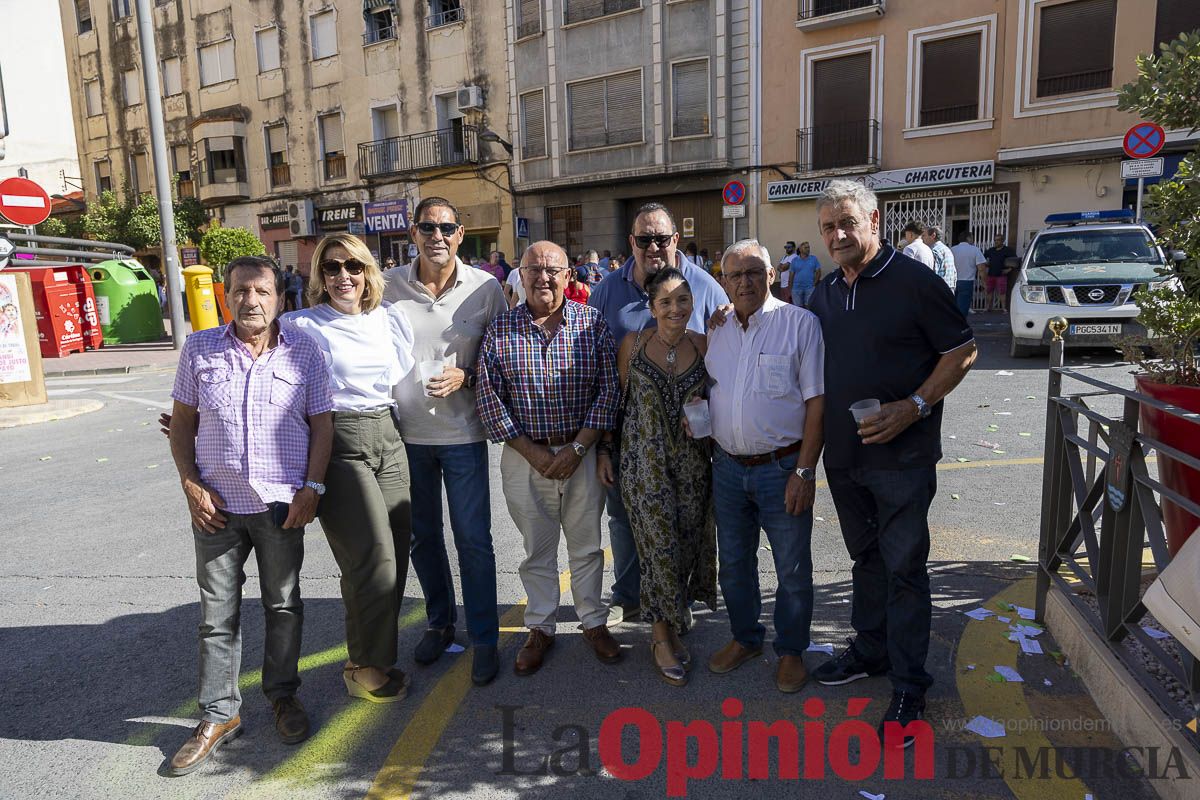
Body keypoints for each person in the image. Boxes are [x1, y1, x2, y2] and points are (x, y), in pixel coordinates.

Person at [807, 180, 976, 746]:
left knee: (904, 570)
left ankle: (909, 687)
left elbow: (962, 350)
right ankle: (871, 650)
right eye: (829, 226)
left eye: (847, 223)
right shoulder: (826, 292)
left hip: (902, 457)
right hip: (845, 457)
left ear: (874, 221)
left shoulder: (913, 280)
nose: (838, 235)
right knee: (866, 560)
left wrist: (916, 406)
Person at [166, 255, 333, 776]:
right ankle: (220, 715)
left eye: (261, 291)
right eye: (240, 291)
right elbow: (182, 427)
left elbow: (323, 426)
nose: (251, 301)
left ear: (280, 297)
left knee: (283, 604)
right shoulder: (200, 348)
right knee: (217, 617)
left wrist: (313, 488)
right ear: (226, 295)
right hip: (216, 506)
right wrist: (190, 485)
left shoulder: (305, 351)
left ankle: (283, 696)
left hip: (281, 503)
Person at [476, 241, 622, 676]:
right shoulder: (501, 330)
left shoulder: (591, 323)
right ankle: (540, 626)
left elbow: (609, 390)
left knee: (585, 546)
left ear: (568, 277)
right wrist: (534, 453)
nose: (543, 277)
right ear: (519, 276)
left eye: (552, 270)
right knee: (536, 549)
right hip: (524, 456)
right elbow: (489, 399)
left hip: (583, 451)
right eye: (534, 269)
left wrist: (579, 448)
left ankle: (593, 621)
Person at [384, 197, 509, 686]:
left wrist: (469, 374)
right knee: (423, 538)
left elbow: (503, 359)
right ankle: (440, 623)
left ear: (461, 235)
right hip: (406, 434)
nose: (437, 235)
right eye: (428, 227)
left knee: (473, 538)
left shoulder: (486, 289)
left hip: (462, 435)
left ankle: (484, 637)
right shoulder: (388, 286)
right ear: (413, 233)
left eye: (447, 227)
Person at [289, 233, 417, 703]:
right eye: (332, 267)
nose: (344, 276)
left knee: (394, 555)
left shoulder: (389, 320)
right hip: (338, 440)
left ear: (368, 273)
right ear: (320, 276)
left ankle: (371, 658)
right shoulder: (302, 325)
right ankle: (364, 664)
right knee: (372, 559)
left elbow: (406, 385)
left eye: (353, 267)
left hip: (389, 435)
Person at [588, 202, 729, 627]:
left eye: (662, 239)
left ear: (675, 240)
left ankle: (673, 602)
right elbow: (601, 373)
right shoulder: (607, 290)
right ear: (631, 242)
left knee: (685, 527)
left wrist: (707, 418)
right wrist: (602, 447)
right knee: (625, 522)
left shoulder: (706, 288)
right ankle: (629, 596)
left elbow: (722, 368)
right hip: (636, 443)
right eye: (644, 239)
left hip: (690, 446)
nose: (654, 246)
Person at [704, 240, 825, 695]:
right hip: (728, 468)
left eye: (754, 272)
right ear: (724, 280)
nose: (745, 282)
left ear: (772, 274)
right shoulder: (716, 328)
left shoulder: (800, 325)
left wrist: (806, 471)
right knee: (734, 564)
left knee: (792, 566)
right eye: (735, 275)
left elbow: (817, 403)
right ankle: (746, 638)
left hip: (782, 467)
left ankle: (791, 650)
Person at [597, 267, 717, 687]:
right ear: (651, 307)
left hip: (691, 466)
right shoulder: (633, 344)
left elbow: (720, 401)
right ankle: (660, 636)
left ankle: (671, 618)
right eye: (665, 301)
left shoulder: (703, 345)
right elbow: (616, 402)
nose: (675, 308)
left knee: (684, 545)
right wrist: (606, 451)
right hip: (642, 466)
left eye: (682, 299)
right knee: (657, 548)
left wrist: (706, 418)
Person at [950, 232, 986, 317]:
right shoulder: (975, 250)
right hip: (967, 282)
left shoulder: (952, 249)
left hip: (952, 281)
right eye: (972, 238)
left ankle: (953, 325)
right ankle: (961, 327)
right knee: (963, 308)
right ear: (968, 238)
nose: (973, 240)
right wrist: (984, 282)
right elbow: (981, 268)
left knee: (953, 307)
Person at [983, 235, 1016, 313]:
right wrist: (986, 265)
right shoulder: (991, 250)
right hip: (991, 274)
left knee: (1002, 292)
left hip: (1001, 275)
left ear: (1002, 241)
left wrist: (1009, 269)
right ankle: (987, 307)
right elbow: (983, 258)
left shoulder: (1008, 250)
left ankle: (1004, 308)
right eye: (995, 240)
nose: (996, 242)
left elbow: (1015, 261)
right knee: (989, 291)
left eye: (998, 240)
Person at [922, 226, 957, 293]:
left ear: (933, 235)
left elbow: (934, 273)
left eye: (924, 235)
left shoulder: (934, 251)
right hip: (950, 287)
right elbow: (954, 272)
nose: (922, 239)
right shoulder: (946, 249)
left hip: (939, 289)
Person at [788, 241, 821, 307]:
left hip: (809, 288)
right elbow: (791, 275)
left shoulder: (813, 259)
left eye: (808, 247)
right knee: (798, 309)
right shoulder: (794, 260)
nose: (808, 249)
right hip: (796, 289)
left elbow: (818, 272)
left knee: (809, 307)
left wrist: (814, 284)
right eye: (805, 248)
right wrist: (791, 289)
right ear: (800, 249)